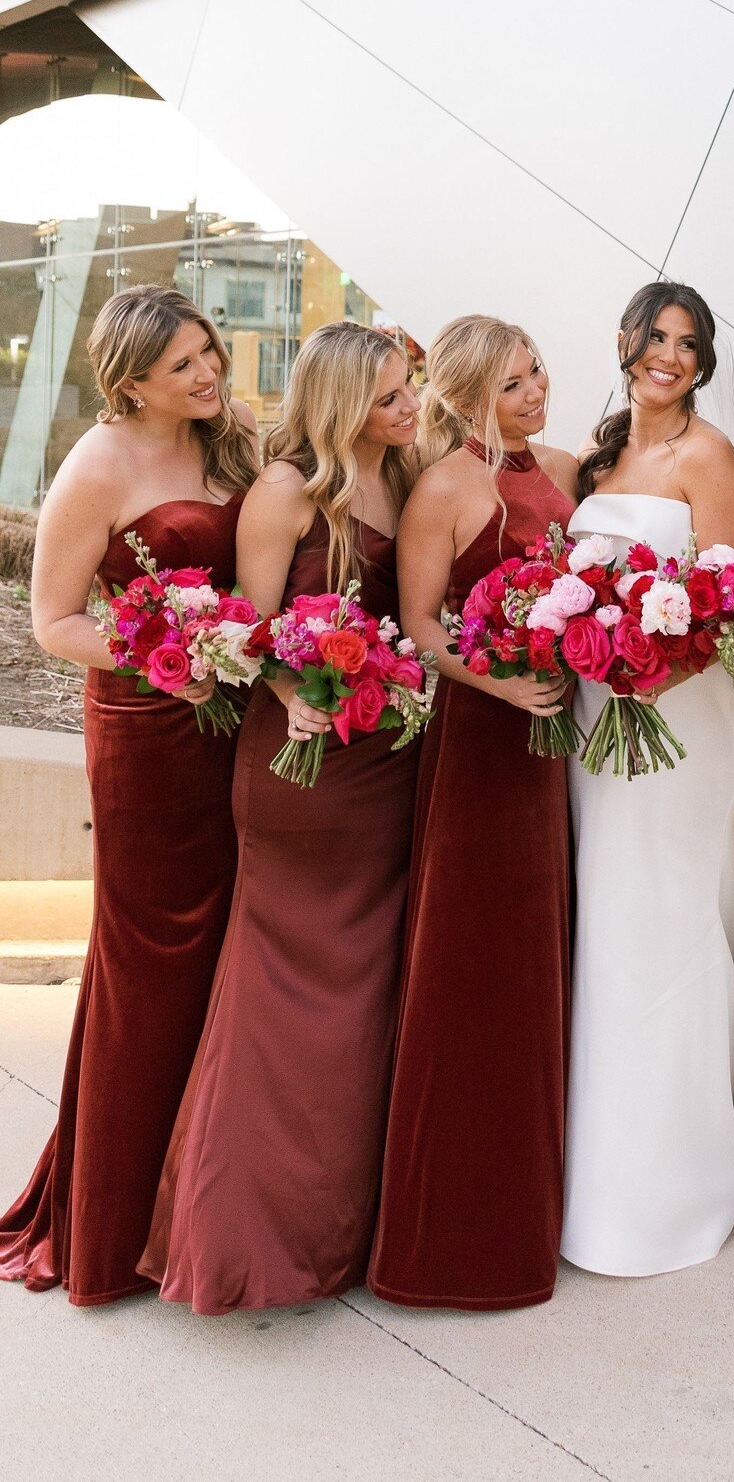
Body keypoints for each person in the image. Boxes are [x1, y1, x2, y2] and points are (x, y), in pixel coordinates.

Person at [140, 321, 420, 1313]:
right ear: (343, 397)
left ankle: (337, 1232)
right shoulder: (286, 488)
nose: (407, 406)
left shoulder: (403, 472)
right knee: (279, 1005)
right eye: (390, 393)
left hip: (389, 771)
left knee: (367, 1000)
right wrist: (290, 686)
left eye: (410, 387)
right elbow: (242, 632)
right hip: (302, 773)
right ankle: (238, 1247)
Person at [0, 285, 257, 1303]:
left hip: (235, 717)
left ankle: (191, 1206)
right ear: (131, 378)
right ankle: (108, 1223)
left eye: (210, 353)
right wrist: (171, 660)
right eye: (185, 364)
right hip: (148, 732)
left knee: (233, 950)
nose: (209, 374)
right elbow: (54, 620)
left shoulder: (229, 439)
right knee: (149, 960)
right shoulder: (96, 465)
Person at [369, 315, 577, 1309]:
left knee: (539, 954)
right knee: (475, 958)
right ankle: (452, 1236)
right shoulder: (447, 486)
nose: (534, 390)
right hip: (483, 741)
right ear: (464, 397)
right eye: (511, 384)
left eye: (536, 371)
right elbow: (417, 626)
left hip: (554, 738)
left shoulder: (562, 467)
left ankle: (538, 1202)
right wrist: (497, 687)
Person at [561, 281, 734, 1276]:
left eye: (691, 343)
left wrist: (648, 665)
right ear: (624, 341)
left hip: (680, 712)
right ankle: (598, 1167)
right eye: (657, 336)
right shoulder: (600, 456)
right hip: (601, 715)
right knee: (606, 921)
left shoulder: (709, 457)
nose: (672, 355)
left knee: (664, 919)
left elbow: (733, 606)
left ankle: (674, 1180)